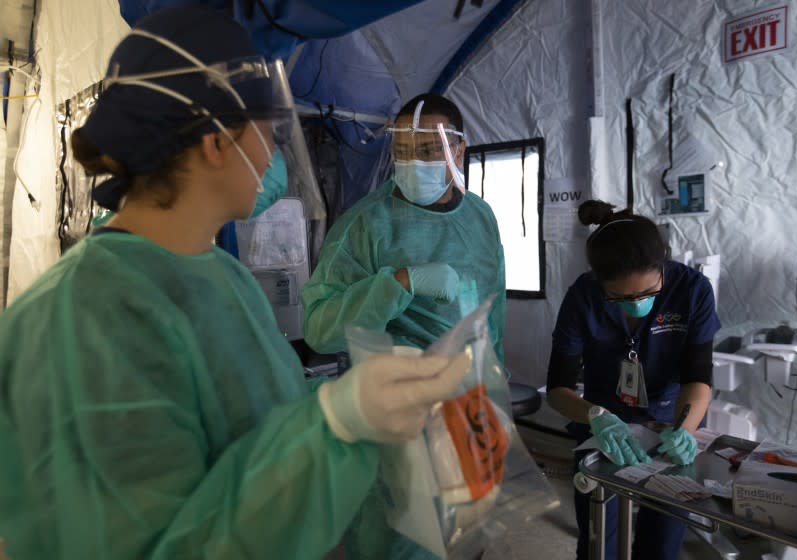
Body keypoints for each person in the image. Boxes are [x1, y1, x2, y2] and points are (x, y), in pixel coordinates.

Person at [0, 7, 472, 559]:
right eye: (270, 132)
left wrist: (350, 403)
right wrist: (334, 427)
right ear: (214, 141)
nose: (276, 153)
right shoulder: (90, 317)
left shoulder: (219, 274)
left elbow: (253, 424)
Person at [546, 200, 720, 560]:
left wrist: (686, 428)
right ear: (600, 282)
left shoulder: (692, 290)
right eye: (620, 298)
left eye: (648, 294)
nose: (636, 303)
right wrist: (596, 416)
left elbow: (699, 376)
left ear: (663, 268)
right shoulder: (583, 295)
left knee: (661, 543)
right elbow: (557, 389)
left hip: (672, 418)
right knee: (597, 541)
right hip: (603, 422)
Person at [302, 94, 506, 361]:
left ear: (458, 149)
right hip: (402, 391)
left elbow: (494, 310)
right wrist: (399, 283)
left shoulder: (481, 215)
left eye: (428, 150)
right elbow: (319, 331)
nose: (413, 163)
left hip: (474, 387)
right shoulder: (365, 224)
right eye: (403, 152)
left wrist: (496, 372)